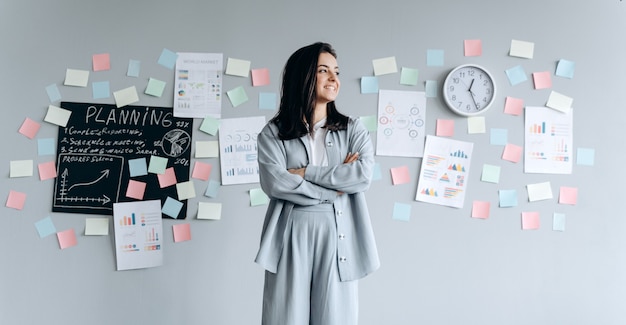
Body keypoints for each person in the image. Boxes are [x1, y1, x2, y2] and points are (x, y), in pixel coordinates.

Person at [255, 42, 380, 325]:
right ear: (304, 76)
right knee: (285, 317)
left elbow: (361, 176)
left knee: (335, 317)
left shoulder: (354, 129)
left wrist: (305, 172)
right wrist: (334, 188)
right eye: (324, 71)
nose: (334, 79)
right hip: (290, 233)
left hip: (340, 235)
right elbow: (276, 183)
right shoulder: (273, 134)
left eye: (336, 71)